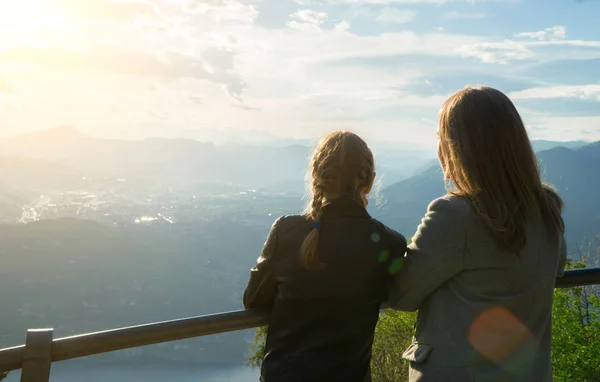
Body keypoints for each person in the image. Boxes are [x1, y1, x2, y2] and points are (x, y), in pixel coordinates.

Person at [389, 86, 567, 382]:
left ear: (457, 147)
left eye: (440, 139)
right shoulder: (547, 209)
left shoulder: (455, 215)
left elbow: (401, 295)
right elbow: (557, 269)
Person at [243, 131, 407, 382]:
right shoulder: (390, 244)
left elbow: (254, 299)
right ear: (370, 181)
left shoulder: (287, 231)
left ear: (316, 176)